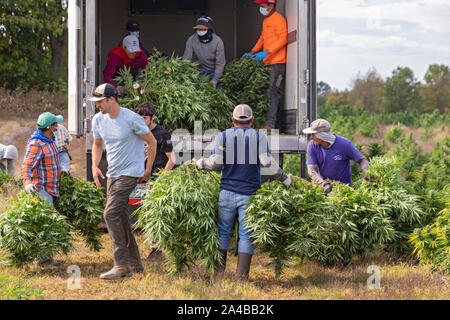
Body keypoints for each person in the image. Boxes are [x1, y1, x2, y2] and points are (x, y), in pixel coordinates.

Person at [194, 104, 292, 280]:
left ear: (233, 121)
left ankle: (218, 275)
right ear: (252, 120)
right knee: (246, 234)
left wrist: (201, 163)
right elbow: (267, 162)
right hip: (249, 194)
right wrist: (285, 178)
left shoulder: (223, 136)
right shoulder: (258, 137)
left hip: (226, 192)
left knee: (223, 231)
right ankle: (241, 277)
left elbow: (216, 162)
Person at [89, 83, 157, 280]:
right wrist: (94, 165)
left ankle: (121, 265)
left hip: (131, 173)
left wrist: (147, 168)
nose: (98, 105)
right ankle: (136, 264)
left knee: (110, 213)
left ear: (111, 100)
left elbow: (151, 141)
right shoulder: (98, 120)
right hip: (113, 173)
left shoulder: (132, 119)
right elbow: (97, 143)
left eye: (100, 101)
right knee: (121, 218)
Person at [21, 112, 64, 266]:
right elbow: (26, 166)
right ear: (49, 127)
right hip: (41, 189)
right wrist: (27, 183)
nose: (57, 126)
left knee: (48, 222)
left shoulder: (49, 140)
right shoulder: (36, 143)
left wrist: (61, 169)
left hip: (52, 188)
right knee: (45, 222)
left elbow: (52, 161)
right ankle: (41, 258)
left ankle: (44, 256)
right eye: (55, 124)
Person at [135, 101, 176, 261]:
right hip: (141, 178)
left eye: (144, 118)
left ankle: (157, 250)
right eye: (139, 118)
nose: (141, 121)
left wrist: (161, 179)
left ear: (153, 117)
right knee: (144, 214)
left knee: (154, 215)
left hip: (156, 179)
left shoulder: (162, 134)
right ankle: (156, 247)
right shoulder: (138, 132)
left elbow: (171, 159)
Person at [241, 0, 287, 130]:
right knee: (268, 93)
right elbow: (263, 38)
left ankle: (270, 124)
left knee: (271, 93)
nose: (261, 9)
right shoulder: (266, 20)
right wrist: (252, 51)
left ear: (271, 6)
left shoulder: (279, 19)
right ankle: (270, 123)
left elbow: (283, 38)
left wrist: (266, 52)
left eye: (263, 6)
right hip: (268, 62)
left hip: (277, 62)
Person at [303, 119, 369, 194]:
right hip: (323, 190)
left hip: (344, 191)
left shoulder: (344, 144)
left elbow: (362, 160)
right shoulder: (312, 146)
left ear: (322, 136)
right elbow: (311, 170)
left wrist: (366, 171)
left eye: (313, 134)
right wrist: (323, 184)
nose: (311, 137)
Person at [182, 16, 226, 89]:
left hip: (214, 72)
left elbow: (220, 64)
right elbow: (186, 59)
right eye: (198, 29)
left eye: (202, 29)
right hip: (199, 72)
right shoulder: (191, 40)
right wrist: (184, 75)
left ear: (209, 29)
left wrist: (214, 81)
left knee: (219, 93)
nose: (200, 31)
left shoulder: (218, 41)